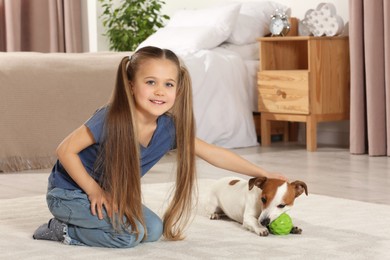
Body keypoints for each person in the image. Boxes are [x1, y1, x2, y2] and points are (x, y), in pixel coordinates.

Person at [33, 46, 287, 248]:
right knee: (128, 237)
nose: (160, 91)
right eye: (150, 82)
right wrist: (94, 191)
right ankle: (63, 230)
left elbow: (213, 153)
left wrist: (263, 173)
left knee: (152, 231)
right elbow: (65, 149)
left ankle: (86, 223)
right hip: (68, 193)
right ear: (131, 85)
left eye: (168, 84)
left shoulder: (169, 128)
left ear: (178, 89)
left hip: (110, 195)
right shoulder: (111, 118)